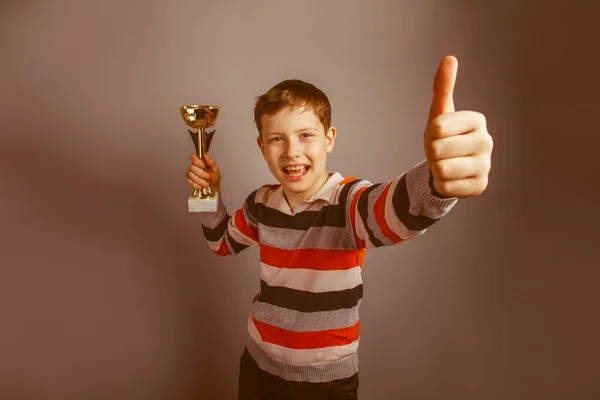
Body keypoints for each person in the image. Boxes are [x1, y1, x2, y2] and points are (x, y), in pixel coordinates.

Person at [184, 55, 493, 399]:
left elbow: (393, 212)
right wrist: (206, 194)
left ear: (329, 139)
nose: (292, 152)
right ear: (262, 147)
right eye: (277, 139)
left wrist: (435, 181)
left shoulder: (347, 202)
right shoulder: (261, 204)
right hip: (259, 367)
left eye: (306, 135)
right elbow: (220, 243)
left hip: (326, 385)